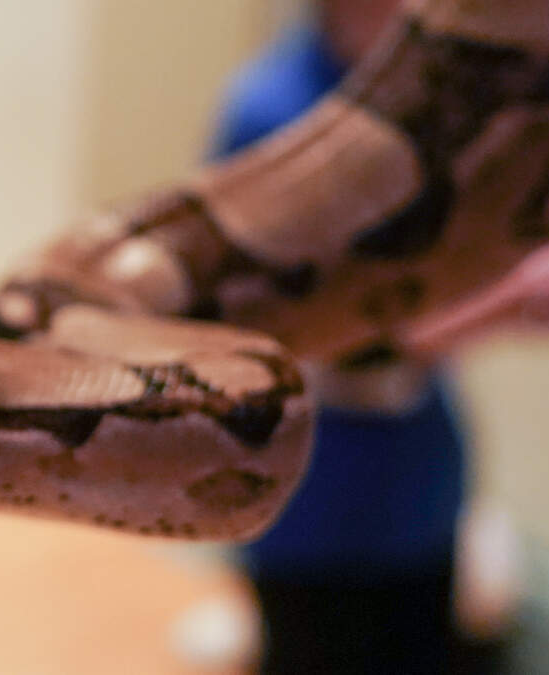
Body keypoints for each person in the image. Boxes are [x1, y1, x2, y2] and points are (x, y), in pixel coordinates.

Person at [211, 1, 503, 672]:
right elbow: (255, 319)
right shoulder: (270, 110)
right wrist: (496, 309)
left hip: (417, 475)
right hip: (307, 487)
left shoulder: (443, 107)